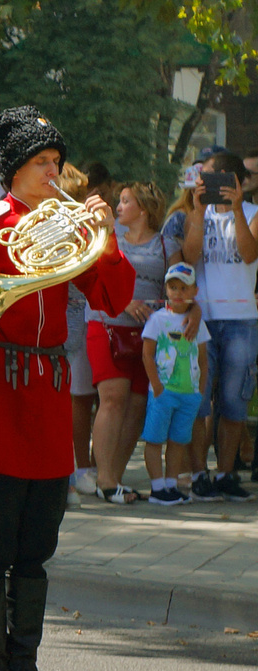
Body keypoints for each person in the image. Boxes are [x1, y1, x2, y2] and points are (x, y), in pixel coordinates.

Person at [0, 106, 132, 671]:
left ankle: (25, 662)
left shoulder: (70, 222)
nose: (53, 172)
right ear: (15, 169)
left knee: (39, 537)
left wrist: (106, 241)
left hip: (48, 388)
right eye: (42, 162)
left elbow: (114, 296)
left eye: (56, 162)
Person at [161, 150, 256, 499]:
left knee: (234, 402)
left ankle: (226, 474)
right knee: (198, 400)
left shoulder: (253, 213)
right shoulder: (194, 216)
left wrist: (237, 209)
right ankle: (200, 473)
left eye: (213, 177)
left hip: (242, 318)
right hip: (203, 318)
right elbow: (190, 257)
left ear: (232, 181)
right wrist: (200, 212)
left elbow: (249, 254)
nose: (205, 182)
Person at [86, 184, 166, 502]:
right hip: (106, 324)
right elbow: (94, 275)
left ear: (143, 209)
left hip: (145, 335)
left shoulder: (165, 243)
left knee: (136, 406)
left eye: (125, 201)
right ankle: (104, 480)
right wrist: (125, 300)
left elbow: (178, 278)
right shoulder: (109, 234)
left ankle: (115, 480)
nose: (118, 207)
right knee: (113, 399)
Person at [139, 268, 205, 504]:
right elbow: (147, 354)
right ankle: (157, 488)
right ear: (165, 289)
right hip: (163, 392)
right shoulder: (158, 319)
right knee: (155, 439)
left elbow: (203, 358)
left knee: (178, 441)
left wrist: (200, 390)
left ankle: (171, 484)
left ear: (195, 291)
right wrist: (157, 387)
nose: (177, 293)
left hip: (189, 394)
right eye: (173, 287)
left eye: (184, 288)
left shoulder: (197, 322)